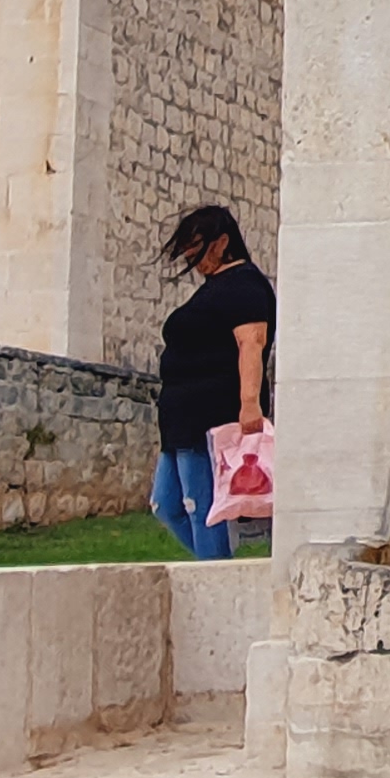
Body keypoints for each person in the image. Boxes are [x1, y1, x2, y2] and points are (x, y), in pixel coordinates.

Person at [152, 205, 275, 558]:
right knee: (167, 504)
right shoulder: (215, 288)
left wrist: (249, 404)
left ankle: (217, 569)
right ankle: (219, 567)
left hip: (209, 414)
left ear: (221, 243)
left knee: (202, 506)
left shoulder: (245, 285)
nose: (191, 257)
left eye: (197, 246)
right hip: (180, 418)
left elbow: (251, 343)